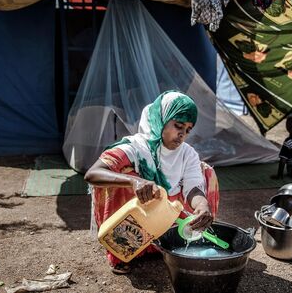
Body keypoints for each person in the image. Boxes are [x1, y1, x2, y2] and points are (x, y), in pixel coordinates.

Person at [84, 91, 219, 274]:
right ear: (160, 119)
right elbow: (93, 174)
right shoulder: (136, 147)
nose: (182, 135)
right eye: (178, 125)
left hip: (167, 216)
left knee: (206, 173)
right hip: (139, 215)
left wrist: (203, 205)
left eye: (187, 130)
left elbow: (193, 187)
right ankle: (123, 251)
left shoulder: (187, 154)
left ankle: (162, 244)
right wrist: (134, 181)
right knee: (120, 173)